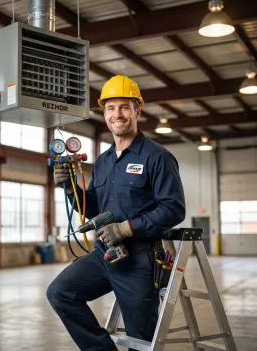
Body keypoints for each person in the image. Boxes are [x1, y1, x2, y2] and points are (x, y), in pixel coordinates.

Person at [47, 75, 186, 351]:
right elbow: (96, 209)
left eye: (124, 107)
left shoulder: (157, 157)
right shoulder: (103, 161)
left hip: (139, 259)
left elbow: (174, 208)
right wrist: (69, 187)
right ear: (105, 113)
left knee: (140, 340)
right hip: (104, 254)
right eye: (111, 108)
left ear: (137, 111)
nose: (117, 114)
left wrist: (126, 228)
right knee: (60, 292)